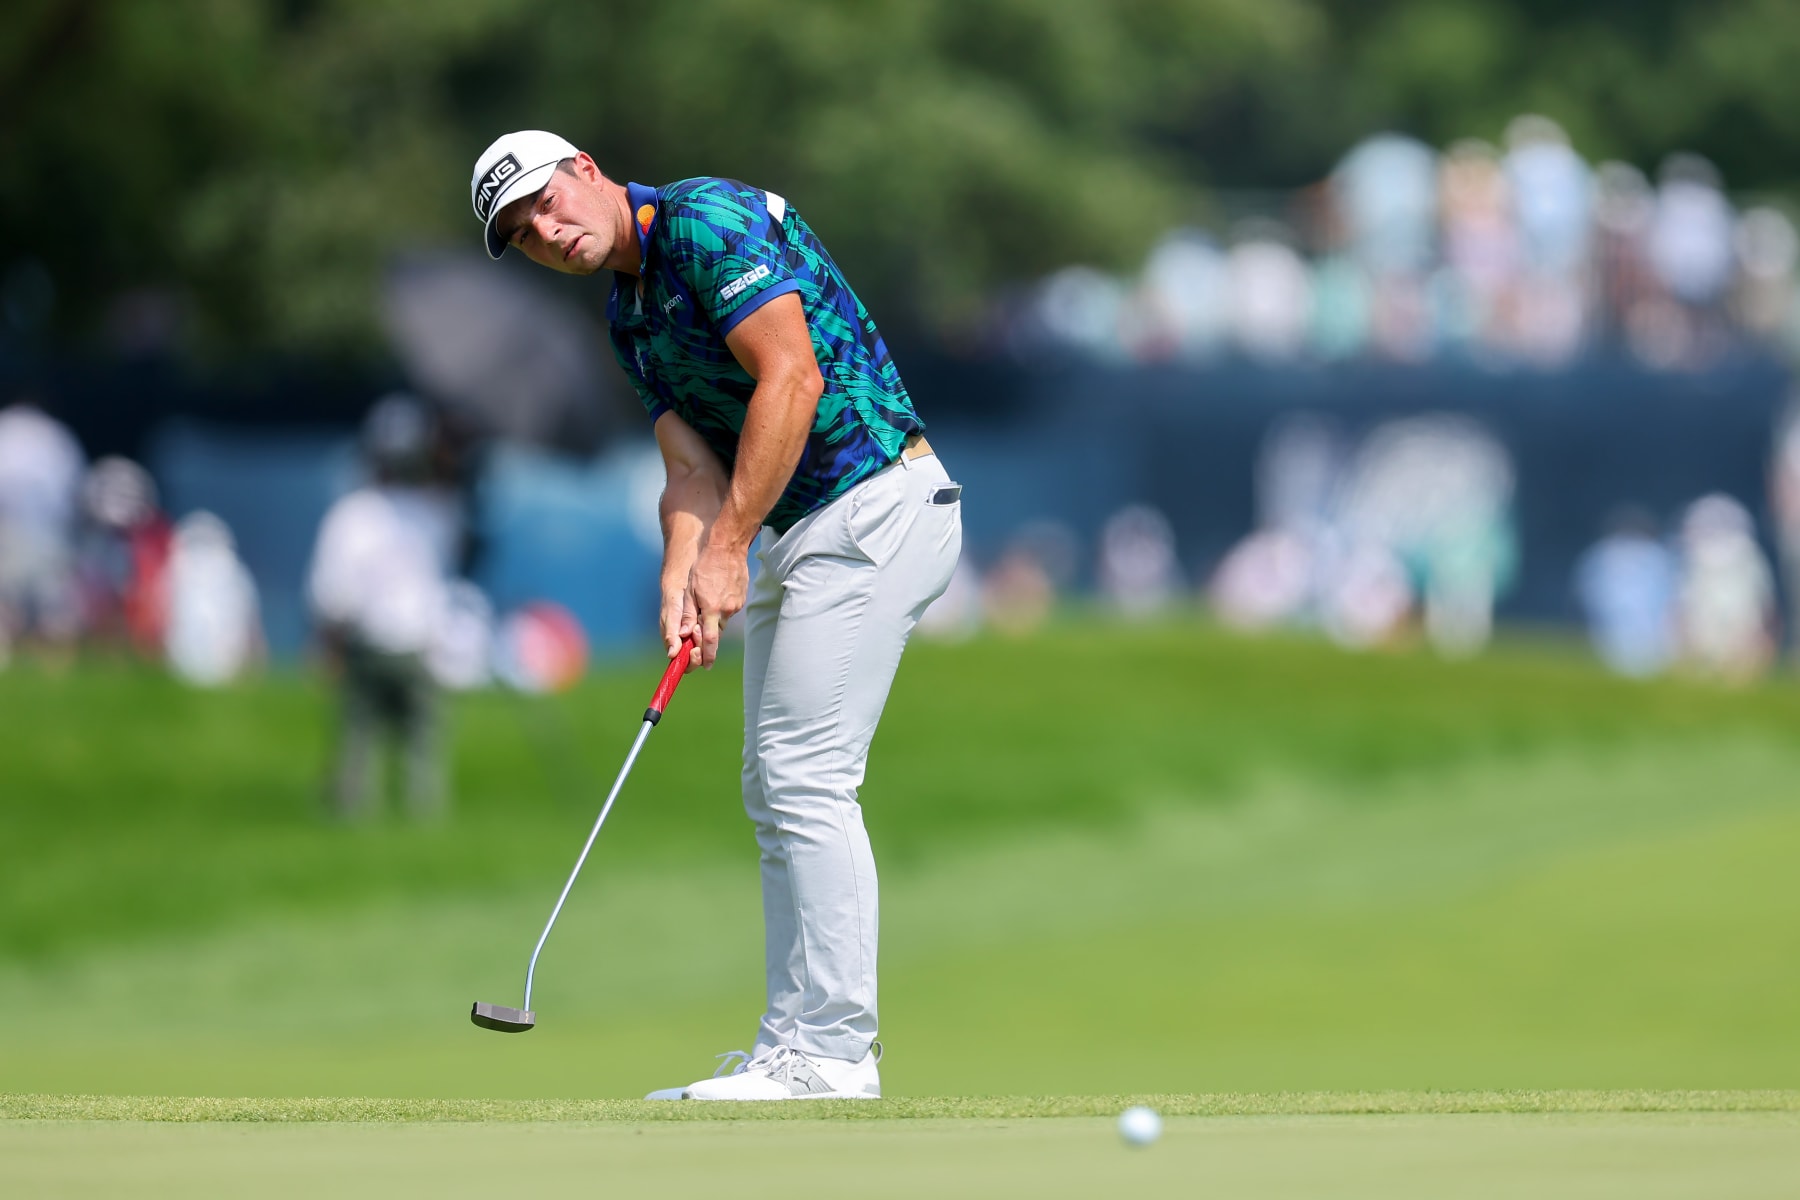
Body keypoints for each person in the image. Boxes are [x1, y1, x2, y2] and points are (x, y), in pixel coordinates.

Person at [471, 131, 963, 1100]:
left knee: (806, 776)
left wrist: (729, 548)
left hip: (872, 503)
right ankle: (791, 1045)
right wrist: (681, 573)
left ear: (583, 169)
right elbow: (692, 469)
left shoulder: (705, 219)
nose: (546, 230)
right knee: (770, 786)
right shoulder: (629, 317)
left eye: (544, 201)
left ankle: (835, 1053)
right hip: (799, 529)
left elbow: (793, 377)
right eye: (523, 232)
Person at [307, 395, 462, 818]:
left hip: (367, 642)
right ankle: (424, 817)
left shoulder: (352, 514)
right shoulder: (437, 512)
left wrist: (327, 645)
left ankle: (355, 811)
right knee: (423, 744)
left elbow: (332, 593)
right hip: (418, 645)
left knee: (359, 738)